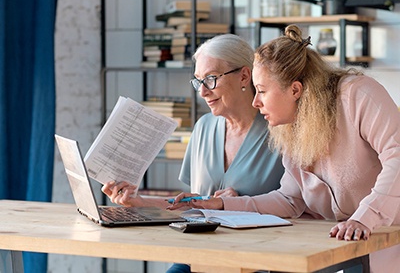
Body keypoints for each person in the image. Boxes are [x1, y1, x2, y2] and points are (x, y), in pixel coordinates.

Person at [169, 25, 400, 273]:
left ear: (295, 90)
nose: (256, 102)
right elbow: (290, 200)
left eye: (262, 91)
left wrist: (364, 217)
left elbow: (397, 157)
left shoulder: (358, 94)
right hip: (340, 248)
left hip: (385, 241)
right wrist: (223, 206)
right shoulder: (291, 127)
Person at [101, 34, 285, 272]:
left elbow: (297, 206)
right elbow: (193, 206)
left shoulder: (279, 131)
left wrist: (231, 204)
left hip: (257, 260)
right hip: (199, 257)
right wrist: (138, 202)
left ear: (244, 75)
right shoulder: (203, 127)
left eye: (211, 79)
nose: (203, 92)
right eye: (198, 82)